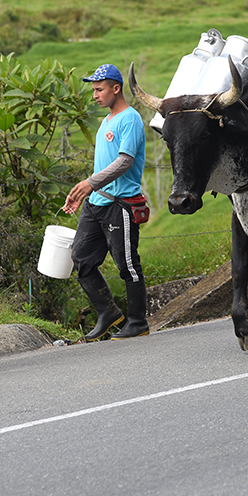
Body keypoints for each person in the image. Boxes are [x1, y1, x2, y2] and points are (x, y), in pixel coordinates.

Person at [64, 64, 150, 341]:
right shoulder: (106, 122)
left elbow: (125, 161)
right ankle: (108, 312)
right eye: (93, 90)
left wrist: (90, 183)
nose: (95, 95)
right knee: (81, 258)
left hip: (120, 204)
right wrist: (85, 194)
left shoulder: (130, 119)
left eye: (99, 90)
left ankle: (137, 321)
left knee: (126, 263)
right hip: (96, 203)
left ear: (116, 88)